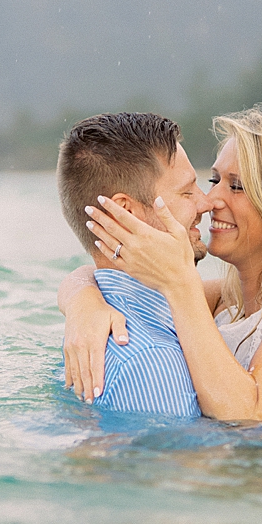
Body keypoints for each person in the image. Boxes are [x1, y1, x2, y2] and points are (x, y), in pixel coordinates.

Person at [62, 105, 262, 421]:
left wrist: (179, 281)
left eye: (236, 186)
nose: (211, 200)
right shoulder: (226, 301)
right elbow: (119, 283)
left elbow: (256, 417)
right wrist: (84, 303)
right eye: (214, 179)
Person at [55, 112, 214, 418]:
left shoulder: (95, 324)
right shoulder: (151, 361)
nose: (205, 203)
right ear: (125, 213)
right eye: (186, 192)